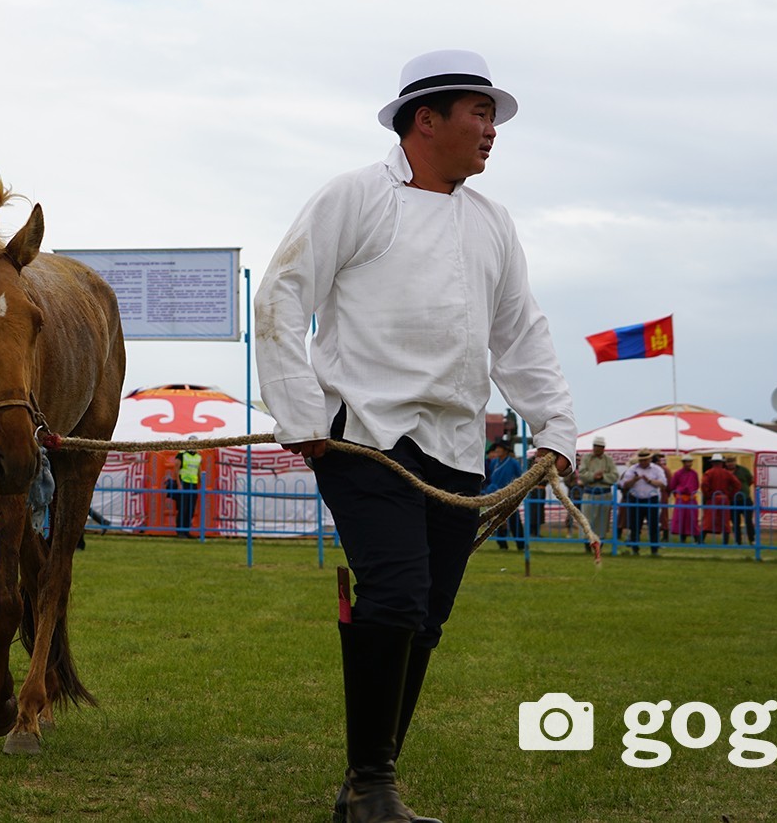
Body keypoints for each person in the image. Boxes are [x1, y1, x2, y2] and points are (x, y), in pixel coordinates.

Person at [254, 49, 576, 823]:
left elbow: (520, 332)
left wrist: (556, 426)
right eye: (479, 113)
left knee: (425, 618)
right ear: (425, 120)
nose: (491, 130)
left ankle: (368, 786)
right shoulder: (356, 197)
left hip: (456, 447)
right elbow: (282, 295)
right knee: (396, 599)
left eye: (493, 117)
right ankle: (372, 789)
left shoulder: (492, 223)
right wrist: (300, 413)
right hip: (364, 437)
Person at [575, 436, 619, 552]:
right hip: (590, 493)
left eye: (599, 447)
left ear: (603, 448)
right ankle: (587, 544)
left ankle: (600, 544)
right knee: (588, 520)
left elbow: (615, 476)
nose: (597, 449)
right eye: (595, 446)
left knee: (602, 521)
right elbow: (582, 475)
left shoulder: (608, 460)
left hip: (604, 494)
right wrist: (594, 476)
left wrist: (603, 477)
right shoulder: (586, 458)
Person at [618, 448, 666, 555]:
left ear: (650, 459)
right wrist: (634, 480)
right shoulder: (632, 469)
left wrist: (650, 481)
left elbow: (663, 483)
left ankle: (654, 549)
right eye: (641, 460)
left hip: (651, 499)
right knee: (634, 525)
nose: (643, 462)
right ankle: (635, 549)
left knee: (653, 525)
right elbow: (623, 484)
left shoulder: (656, 469)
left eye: (645, 460)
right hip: (635, 498)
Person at [484, 441, 525, 550]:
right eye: (496, 448)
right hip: (496, 494)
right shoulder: (494, 462)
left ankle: (520, 544)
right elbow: (490, 477)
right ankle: (502, 544)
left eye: (500, 448)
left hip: (509, 494)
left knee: (514, 519)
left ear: (505, 451)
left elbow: (520, 477)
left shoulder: (513, 462)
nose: (497, 450)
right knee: (498, 520)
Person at [699, 454, 742, 544]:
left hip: (713, 499)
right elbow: (737, 484)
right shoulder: (727, 473)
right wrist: (730, 495)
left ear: (712, 463)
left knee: (708, 520)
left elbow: (704, 485)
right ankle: (725, 542)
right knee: (725, 520)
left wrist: (708, 495)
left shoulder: (709, 473)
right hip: (724, 499)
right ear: (722, 463)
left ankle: (701, 540)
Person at [668, 454, 700, 543]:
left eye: (690, 462)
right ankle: (682, 538)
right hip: (681, 499)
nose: (688, 464)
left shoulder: (694, 473)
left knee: (692, 519)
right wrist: (678, 495)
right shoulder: (678, 473)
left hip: (691, 499)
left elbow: (696, 485)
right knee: (681, 518)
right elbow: (673, 486)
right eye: (686, 462)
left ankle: (696, 538)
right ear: (683, 463)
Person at [174, 441, 203, 537]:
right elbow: (176, 469)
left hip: (193, 484)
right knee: (183, 508)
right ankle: (180, 531)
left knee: (191, 509)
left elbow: (199, 470)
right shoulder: (182, 454)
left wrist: (201, 484)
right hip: (184, 483)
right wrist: (179, 484)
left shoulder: (198, 456)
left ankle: (186, 530)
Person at [727, 455, 756, 544]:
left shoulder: (743, 470)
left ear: (735, 462)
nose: (730, 464)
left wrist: (744, 488)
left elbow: (750, 480)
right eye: (729, 462)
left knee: (748, 521)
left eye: (732, 461)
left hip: (745, 499)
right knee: (735, 522)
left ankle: (752, 539)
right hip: (732, 500)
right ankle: (737, 541)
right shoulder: (724, 472)